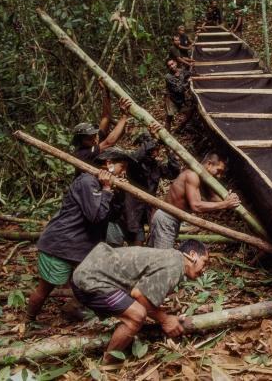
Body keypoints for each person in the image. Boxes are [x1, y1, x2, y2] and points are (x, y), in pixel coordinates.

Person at [26, 147, 135, 322]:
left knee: (92, 279)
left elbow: (112, 216)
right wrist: (107, 189)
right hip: (61, 245)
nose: (124, 172)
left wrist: (118, 193)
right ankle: (28, 321)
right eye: (123, 166)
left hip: (81, 248)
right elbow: (96, 216)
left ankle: (72, 309)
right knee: (45, 289)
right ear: (109, 165)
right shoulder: (87, 182)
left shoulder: (102, 184)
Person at [71, 239, 209, 363]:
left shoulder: (172, 258)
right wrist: (165, 320)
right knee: (137, 316)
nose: (204, 270)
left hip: (89, 272)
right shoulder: (175, 265)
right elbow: (139, 294)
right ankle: (107, 362)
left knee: (138, 310)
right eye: (205, 262)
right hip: (90, 280)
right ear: (192, 255)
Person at [107, 123, 181, 246]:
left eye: (156, 150)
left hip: (142, 214)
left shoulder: (155, 166)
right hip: (127, 212)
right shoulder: (134, 163)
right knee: (115, 247)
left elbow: (174, 172)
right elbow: (137, 156)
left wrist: (168, 149)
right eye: (152, 149)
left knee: (138, 246)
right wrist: (154, 140)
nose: (155, 153)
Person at [150, 153, 240, 249]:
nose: (219, 176)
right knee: (162, 258)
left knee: (156, 257)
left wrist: (227, 199)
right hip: (166, 219)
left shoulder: (201, 178)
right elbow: (196, 205)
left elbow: (211, 197)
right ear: (209, 164)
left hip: (171, 220)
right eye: (219, 171)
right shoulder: (192, 175)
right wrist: (225, 204)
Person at [71, 83, 131, 172]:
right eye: (89, 139)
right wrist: (124, 116)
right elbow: (108, 142)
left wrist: (105, 92)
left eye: (94, 136)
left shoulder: (95, 140)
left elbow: (106, 117)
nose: (94, 139)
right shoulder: (81, 154)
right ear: (81, 141)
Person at [164, 58, 195, 131]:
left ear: (175, 63)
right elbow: (179, 89)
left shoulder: (181, 71)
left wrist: (196, 72)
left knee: (190, 111)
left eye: (172, 64)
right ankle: (166, 134)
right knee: (170, 116)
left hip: (180, 98)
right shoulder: (168, 77)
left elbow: (190, 73)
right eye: (169, 66)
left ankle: (179, 128)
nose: (172, 66)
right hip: (171, 98)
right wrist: (187, 83)